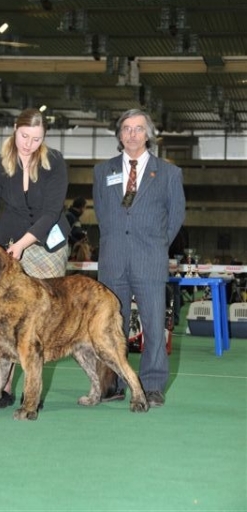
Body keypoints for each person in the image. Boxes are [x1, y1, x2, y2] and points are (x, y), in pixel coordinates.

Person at [0, 108, 70, 407]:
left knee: (38, 318)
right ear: (15, 129)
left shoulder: (55, 162)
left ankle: (33, 391)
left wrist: (24, 244)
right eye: (25, 136)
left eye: (37, 139)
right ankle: (4, 388)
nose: (29, 144)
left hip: (45, 243)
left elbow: (52, 212)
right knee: (5, 317)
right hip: (7, 244)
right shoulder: (0, 165)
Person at [93, 109, 185, 407]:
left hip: (150, 260)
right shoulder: (102, 171)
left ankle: (153, 385)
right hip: (113, 259)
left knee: (154, 327)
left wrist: (157, 245)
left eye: (138, 129)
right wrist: (117, 240)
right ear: (120, 135)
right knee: (109, 327)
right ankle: (113, 383)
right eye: (126, 129)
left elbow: (176, 216)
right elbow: (102, 214)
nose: (132, 134)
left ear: (149, 134)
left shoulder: (169, 173)